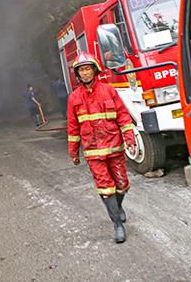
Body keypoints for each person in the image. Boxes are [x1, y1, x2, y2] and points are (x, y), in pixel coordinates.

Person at [67, 52, 137, 243]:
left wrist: (129, 138)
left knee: (122, 185)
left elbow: (123, 116)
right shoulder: (74, 98)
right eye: (81, 70)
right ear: (78, 74)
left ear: (94, 70)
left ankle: (117, 206)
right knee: (106, 188)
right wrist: (74, 151)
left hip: (115, 147)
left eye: (88, 68)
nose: (85, 73)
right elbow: (73, 127)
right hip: (93, 152)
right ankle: (117, 225)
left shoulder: (109, 91)